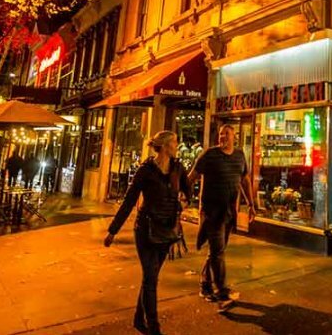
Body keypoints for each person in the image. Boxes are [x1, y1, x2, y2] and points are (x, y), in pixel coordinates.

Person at [104, 131, 191, 335]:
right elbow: (129, 200)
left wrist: (183, 204)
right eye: (174, 143)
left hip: (167, 230)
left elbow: (189, 192)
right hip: (145, 229)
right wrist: (112, 231)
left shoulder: (178, 168)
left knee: (149, 278)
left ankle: (138, 317)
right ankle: (154, 327)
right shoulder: (146, 170)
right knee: (150, 278)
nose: (177, 146)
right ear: (165, 146)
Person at [188, 124, 255, 308]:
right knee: (218, 253)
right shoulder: (210, 155)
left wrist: (250, 203)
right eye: (220, 134)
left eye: (226, 134)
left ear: (235, 137)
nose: (222, 137)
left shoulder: (240, 156)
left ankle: (205, 285)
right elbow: (192, 177)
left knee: (216, 252)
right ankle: (222, 291)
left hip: (229, 212)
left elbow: (245, 179)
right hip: (211, 212)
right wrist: (182, 198)